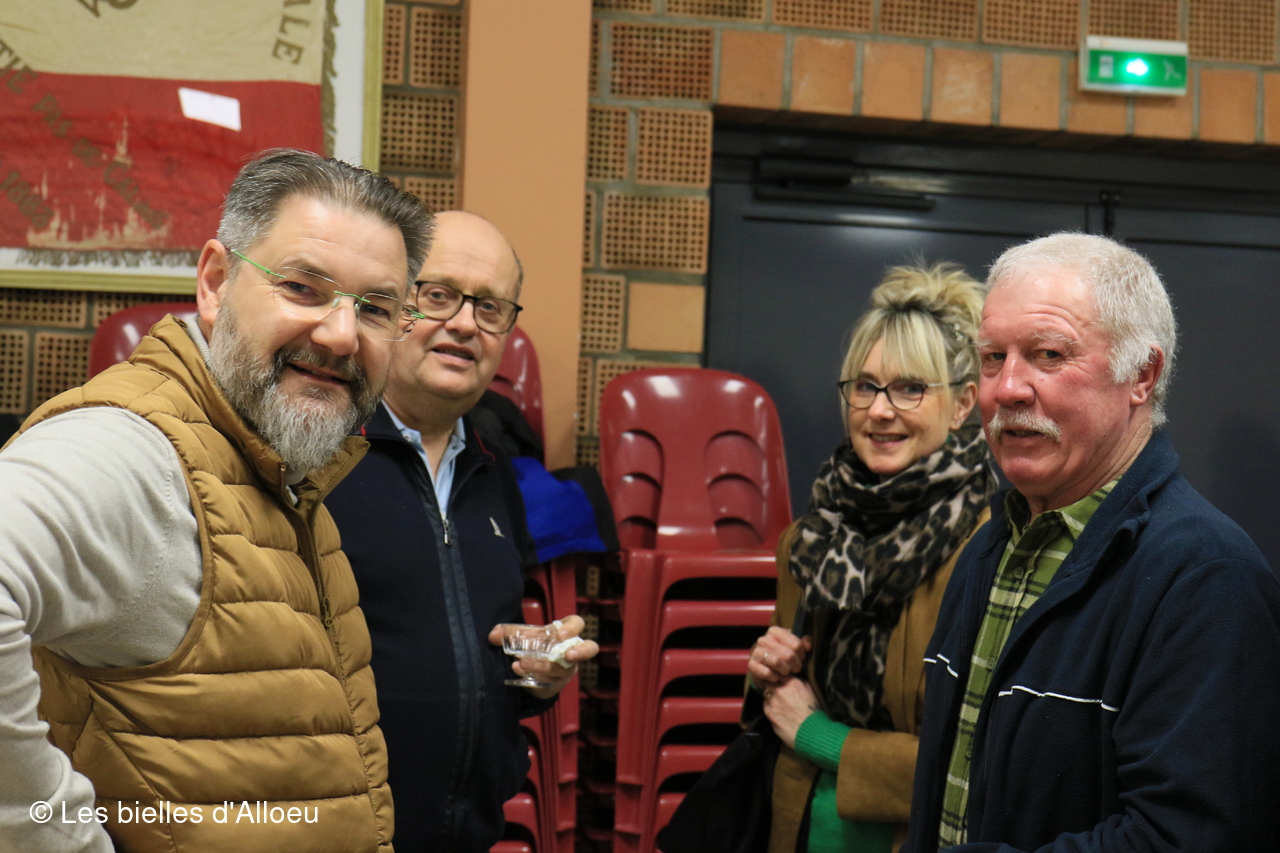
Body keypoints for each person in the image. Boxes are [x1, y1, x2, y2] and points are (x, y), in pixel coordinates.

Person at [0, 149, 433, 853]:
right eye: (302, 287)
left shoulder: (282, 468)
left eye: (377, 309)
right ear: (215, 282)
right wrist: (49, 835)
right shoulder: (137, 451)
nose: (342, 334)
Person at [905, 233, 1280, 852]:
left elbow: (1185, 837)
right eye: (993, 357)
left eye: (1048, 354)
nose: (1007, 388)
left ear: (1142, 375)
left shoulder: (1208, 578)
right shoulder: (990, 550)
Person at [325, 210, 600, 853]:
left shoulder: (493, 471)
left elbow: (465, 647)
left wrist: (532, 670)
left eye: (490, 307)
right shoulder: (318, 453)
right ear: (390, 304)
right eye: (439, 294)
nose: (465, 323)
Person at [746, 264, 997, 852]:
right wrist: (767, 673)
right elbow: (785, 710)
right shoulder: (810, 539)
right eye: (865, 386)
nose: (880, 411)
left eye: (910, 388)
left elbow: (981, 763)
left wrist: (821, 737)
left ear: (962, 403)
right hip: (802, 829)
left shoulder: (991, 552)